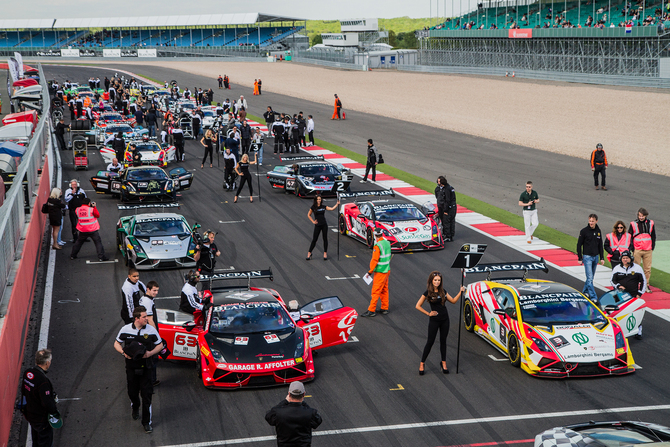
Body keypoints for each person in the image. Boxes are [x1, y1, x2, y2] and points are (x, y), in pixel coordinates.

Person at [114, 306, 163, 434]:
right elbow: (116, 343)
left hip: (146, 367)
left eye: (146, 316)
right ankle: (135, 407)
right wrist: (123, 353)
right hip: (131, 367)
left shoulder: (151, 330)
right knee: (132, 392)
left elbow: (160, 344)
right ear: (136, 318)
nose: (147, 319)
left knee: (147, 395)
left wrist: (150, 353)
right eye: (144, 317)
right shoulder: (125, 329)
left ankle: (147, 422)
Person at [415, 271, 466, 375]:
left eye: (439, 280)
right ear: (431, 281)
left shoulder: (443, 291)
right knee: (430, 342)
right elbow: (418, 305)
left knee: (443, 341)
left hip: (445, 320)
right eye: (435, 280)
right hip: (434, 320)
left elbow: (453, 301)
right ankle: (422, 363)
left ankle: (443, 363)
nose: (437, 282)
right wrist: (428, 313)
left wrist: (460, 292)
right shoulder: (427, 293)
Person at [265, 381, 322, 447]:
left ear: (289, 394)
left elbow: (269, 416)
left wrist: (284, 401)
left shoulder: (278, 413)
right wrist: (303, 403)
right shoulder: (310, 413)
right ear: (304, 394)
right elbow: (318, 421)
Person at [21, 349, 59, 447]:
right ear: (47, 363)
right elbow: (47, 403)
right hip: (41, 419)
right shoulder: (43, 382)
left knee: (36, 441)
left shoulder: (28, 373)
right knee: (45, 442)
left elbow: (23, 391)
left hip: (30, 415)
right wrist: (54, 411)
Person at [361, 228, 391, 317]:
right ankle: (385, 308)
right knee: (384, 289)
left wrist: (370, 272)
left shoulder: (377, 246)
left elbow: (375, 260)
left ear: (375, 235)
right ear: (382, 234)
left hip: (380, 271)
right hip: (387, 270)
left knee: (375, 291)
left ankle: (371, 310)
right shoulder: (387, 243)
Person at [138, 281, 161, 387]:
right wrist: (156, 335)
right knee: (152, 357)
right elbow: (150, 320)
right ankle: (151, 380)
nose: (156, 293)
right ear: (148, 289)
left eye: (157, 290)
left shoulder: (145, 299)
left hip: (144, 332)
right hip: (149, 333)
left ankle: (149, 379)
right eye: (154, 290)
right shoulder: (147, 301)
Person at [577, 213, 604, 301]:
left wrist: (602, 257)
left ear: (596, 221)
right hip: (587, 257)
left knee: (590, 277)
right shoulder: (584, 231)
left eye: (592, 221)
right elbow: (579, 245)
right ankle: (593, 297)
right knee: (590, 278)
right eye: (590, 221)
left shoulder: (598, 231)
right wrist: (580, 258)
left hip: (595, 257)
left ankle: (585, 292)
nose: (591, 223)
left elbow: (600, 245)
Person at [629, 207, 655, 293]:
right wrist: (632, 249)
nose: (641, 217)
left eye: (642, 216)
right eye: (640, 216)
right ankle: (636, 285)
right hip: (637, 249)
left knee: (647, 269)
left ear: (646, 216)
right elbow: (630, 236)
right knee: (636, 268)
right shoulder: (633, 224)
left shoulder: (651, 223)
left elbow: (653, 235)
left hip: (648, 249)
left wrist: (652, 247)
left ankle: (646, 285)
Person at [306, 195, 340, 261]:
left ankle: (325, 253)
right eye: (318, 199)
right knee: (314, 240)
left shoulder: (323, 207)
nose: (319, 200)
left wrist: (337, 204)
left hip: (324, 225)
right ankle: (309, 253)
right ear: (316, 200)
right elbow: (308, 215)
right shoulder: (313, 207)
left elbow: (332, 208)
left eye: (320, 199)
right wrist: (313, 221)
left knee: (325, 239)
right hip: (317, 225)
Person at [435, 176, 457, 242]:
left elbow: (448, 200)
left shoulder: (447, 189)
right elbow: (437, 196)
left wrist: (445, 210)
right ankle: (448, 235)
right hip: (444, 207)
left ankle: (448, 236)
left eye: (439, 181)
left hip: (448, 208)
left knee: (447, 221)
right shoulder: (439, 188)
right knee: (447, 221)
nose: (438, 182)